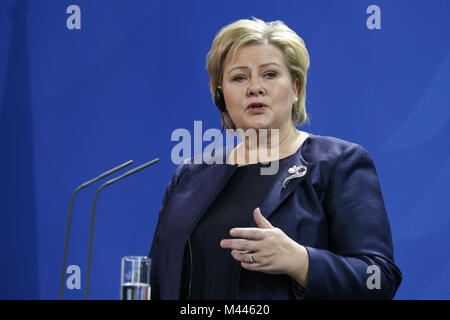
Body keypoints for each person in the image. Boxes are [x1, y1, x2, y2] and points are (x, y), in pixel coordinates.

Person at [149, 17, 402, 300]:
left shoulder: (338, 163)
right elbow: (156, 278)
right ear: (221, 96)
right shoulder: (190, 175)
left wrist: (301, 261)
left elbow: (379, 278)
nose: (255, 87)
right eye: (239, 77)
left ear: (295, 88)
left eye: (269, 75)